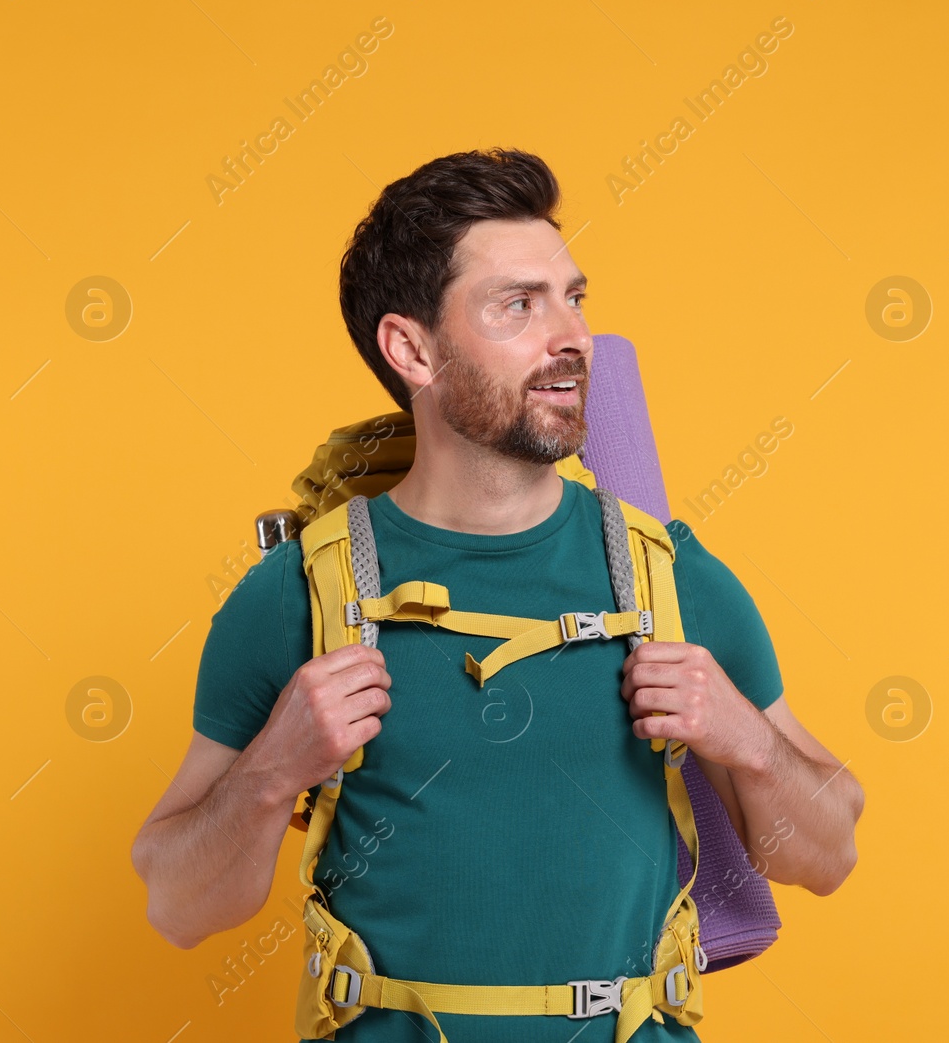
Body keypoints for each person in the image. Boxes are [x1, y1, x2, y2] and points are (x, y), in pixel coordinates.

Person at [130, 148, 864, 1041]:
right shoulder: (300, 593)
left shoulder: (668, 576)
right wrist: (274, 767)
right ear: (412, 349)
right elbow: (177, 903)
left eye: (573, 297)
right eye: (518, 304)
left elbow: (828, 856)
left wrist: (742, 736)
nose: (571, 336)